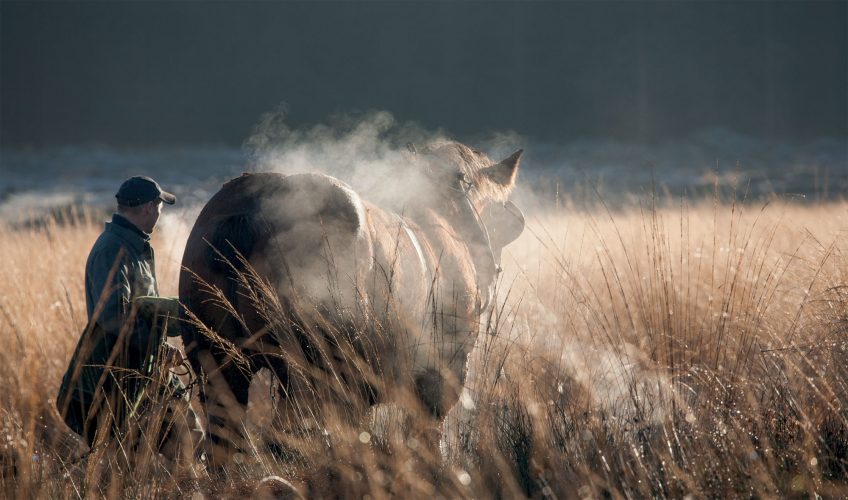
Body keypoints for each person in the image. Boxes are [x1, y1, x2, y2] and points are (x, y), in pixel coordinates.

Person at [57, 176, 182, 447]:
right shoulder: (112, 250)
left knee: (187, 441)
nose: (160, 214)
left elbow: (142, 311)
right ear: (149, 207)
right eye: (160, 207)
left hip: (147, 368)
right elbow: (114, 316)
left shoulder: (135, 245)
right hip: (121, 379)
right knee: (126, 456)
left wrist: (161, 348)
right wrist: (157, 348)